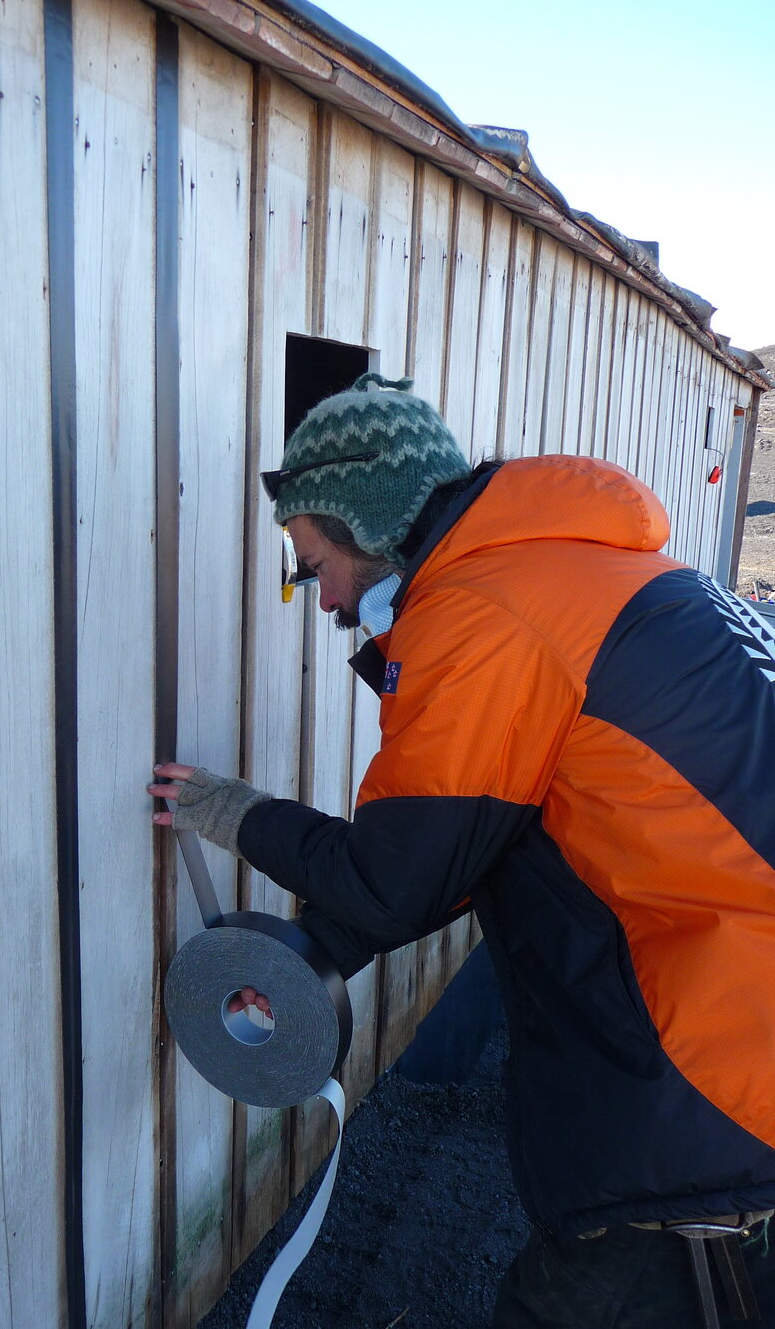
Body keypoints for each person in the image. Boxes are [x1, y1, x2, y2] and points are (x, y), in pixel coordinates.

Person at [148, 373, 775, 1327]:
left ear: (371, 524)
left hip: (717, 1086)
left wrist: (234, 812)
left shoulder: (484, 613)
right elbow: (473, 838)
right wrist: (314, 952)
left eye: (316, 568)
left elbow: (396, 882)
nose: (323, 604)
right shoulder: (586, 573)